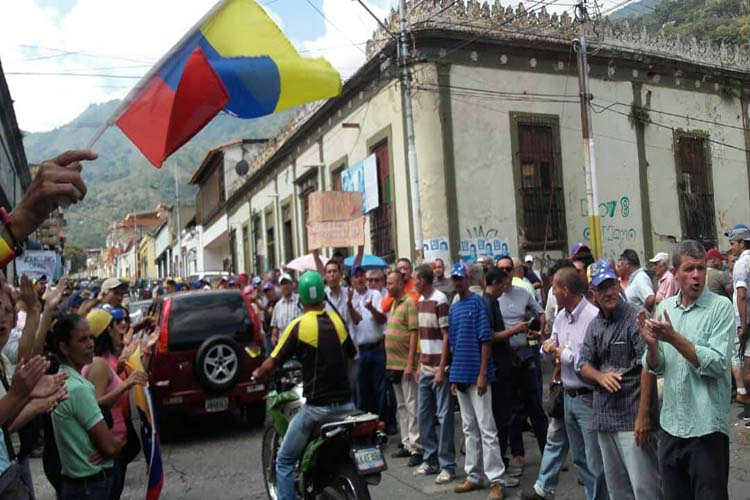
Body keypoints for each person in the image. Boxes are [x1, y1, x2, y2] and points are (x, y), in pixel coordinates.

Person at [641, 240, 735, 500]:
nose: (697, 275)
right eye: (689, 269)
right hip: (671, 426)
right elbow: (657, 365)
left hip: (706, 430)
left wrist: (674, 339)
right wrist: (651, 347)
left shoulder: (720, 307)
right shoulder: (665, 308)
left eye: (701, 268)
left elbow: (716, 364)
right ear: (675, 272)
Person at [251, 272, 357, 500]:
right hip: (348, 405)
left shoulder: (299, 326)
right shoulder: (337, 321)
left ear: (301, 299)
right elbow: (351, 355)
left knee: (284, 460)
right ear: (322, 297)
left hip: (318, 409)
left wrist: (258, 372)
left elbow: (273, 361)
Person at [579, 259, 660, 500]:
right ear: (592, 294)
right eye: (602, 288)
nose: (609, 292)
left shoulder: (637, 318)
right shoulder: (595, 325)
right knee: (617, 491)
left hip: (633, 420)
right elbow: (583, 364)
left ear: (618, 284)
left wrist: (644, 415)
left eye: (611, 284)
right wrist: (600, 376)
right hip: (603, 419)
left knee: (645, 489)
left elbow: (650, 365)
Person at [526, 267, 607, 500]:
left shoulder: (592, 317)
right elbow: (550, 346)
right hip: (568, 395)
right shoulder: (562, 316)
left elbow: (588, 360)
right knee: (580, 458)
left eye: (554, 287)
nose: (551, 292)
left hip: (588, 397)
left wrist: (563, 352)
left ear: (565, 290)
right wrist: (547, 347)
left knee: (595, 460)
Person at [448, 263, 506, 500]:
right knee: (469, 428)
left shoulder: (479, 303)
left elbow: (485, 340)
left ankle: (497, 480)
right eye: (454, 278)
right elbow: (453, 343)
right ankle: (474, 475)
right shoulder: (454, 308)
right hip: (460, 374)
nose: (457, 281)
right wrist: (453, 375)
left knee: (487, 428)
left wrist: (483, 373)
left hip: (477, 374)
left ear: (468, 278)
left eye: (460, 278)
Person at [50, 315, 123, 500]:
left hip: (77, 483)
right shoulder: (77, 389)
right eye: (82, 340)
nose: (90, 344)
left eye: (91, 337)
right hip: (90, 485)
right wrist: (115, 445)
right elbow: (110, 447)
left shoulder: (65, 378)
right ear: (64, 348)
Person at [82, 308, 148, 500]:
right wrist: (125, 385)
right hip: (107, 444)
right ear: (107, 330)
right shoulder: (99, 364)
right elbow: (94, 407)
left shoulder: (109, 359)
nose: (121, 328)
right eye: (116, 325)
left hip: (117, 441)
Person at [496, 255, 547, 476]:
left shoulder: (523, 293)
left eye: (509, 269)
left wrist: (539, 330)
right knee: (512, 411)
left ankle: (549, 454)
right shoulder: (492, 298)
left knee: (535, 406)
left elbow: (541, 313)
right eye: (502, 270)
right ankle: (517, 454)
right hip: (506, 360)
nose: (505, 273)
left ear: (515, 270)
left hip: (526, 356)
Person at [412, 265, 455, 484]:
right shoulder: (420, 302)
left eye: (416, 280)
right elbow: (422, 335)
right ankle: (430, 458)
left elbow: (446, 336)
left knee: (444, 415)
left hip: (440, 368)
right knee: (424, 414)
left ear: (424, 281)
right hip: (426, 365)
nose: (414, 283)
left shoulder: (440, 300)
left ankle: (447, 463)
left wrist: (441, 367)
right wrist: (420, 362)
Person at [384, 270, 422, 466]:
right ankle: (406, 443)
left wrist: (410, 363)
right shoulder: (394, 305)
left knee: (411, 404)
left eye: (391, 283)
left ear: (400, 284)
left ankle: (417, 446)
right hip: (393, 364)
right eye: (387, 283)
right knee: (401, 406)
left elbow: (414, 334)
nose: (388, 286)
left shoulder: (409, 303)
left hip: (405, 364)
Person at [347, 266, 387, 415]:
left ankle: (383, 422)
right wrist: (350, 304)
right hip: (359, 351)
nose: (360, 279)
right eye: (356, 276)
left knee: (380, 389)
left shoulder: (375, 294)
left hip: (376, 347)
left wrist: (372, 309)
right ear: (351, 280)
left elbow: (382, 319)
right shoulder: (349, 297)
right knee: (361, 390)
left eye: (361, 275)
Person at [727, 224, 750, 413]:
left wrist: (743, 324)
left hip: (746, 321)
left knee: (747, 372)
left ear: (742, 243)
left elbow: (741, 294)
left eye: (733, 243)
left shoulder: (741, 263)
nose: (731, 247)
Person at [270, 273, 300, 346]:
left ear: (292, 285)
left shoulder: (300, 300)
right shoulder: (278, 305)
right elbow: (275, 327)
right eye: (282, 284)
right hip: (283, 346)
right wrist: (274, 337)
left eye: (287, 283)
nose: (285, 286)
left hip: (298, 344)